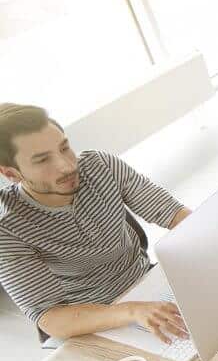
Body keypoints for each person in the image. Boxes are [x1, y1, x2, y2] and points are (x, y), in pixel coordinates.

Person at [0, 103, 191, 344]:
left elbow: (173, 213)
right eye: (42, 160)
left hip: (148, 284)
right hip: (90, 321)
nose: (67, 165)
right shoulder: (7, 228)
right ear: (11, 174)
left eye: (64, 148)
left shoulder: (100, 165)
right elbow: (49, 317)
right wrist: (132, 310)